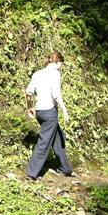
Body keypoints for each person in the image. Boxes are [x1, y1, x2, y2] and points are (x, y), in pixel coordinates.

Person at [25, 51, 73, 180]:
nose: (61, 67)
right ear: (57, 62)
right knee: (44, 142)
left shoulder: (38, 73)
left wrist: (30, 107)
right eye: (61, 64)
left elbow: (28, 91)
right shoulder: (55, 74)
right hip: (50, 112)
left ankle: (65, 168)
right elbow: (56, 94)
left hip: (40, 112)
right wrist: (65, 111)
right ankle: (32, 173)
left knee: (58, 137)